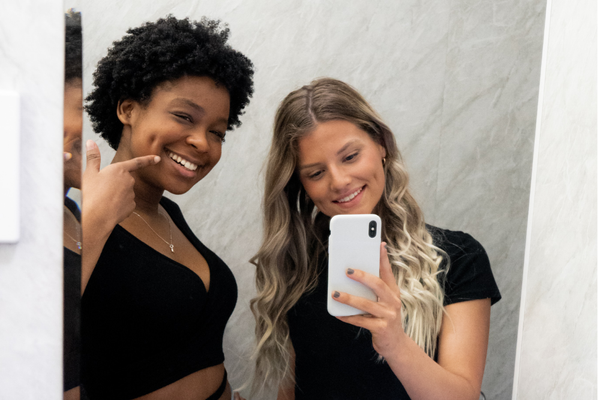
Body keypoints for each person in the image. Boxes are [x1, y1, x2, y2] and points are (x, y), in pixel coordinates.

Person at [250, 78, 501, 400]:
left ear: (381, 144)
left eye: (350, 156)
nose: (339, 181)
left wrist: (395, 343)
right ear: (301, 184)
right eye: (316, 173)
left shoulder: (458, 258)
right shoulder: (296, 263)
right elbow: (293, 387)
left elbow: (462, 396)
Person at [80, 16, 254, 400]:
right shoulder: (77, 216)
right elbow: (28, 334)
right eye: (184, 116)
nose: (202, 143)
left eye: (217, 132)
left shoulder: (168, 213)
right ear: (128, 109)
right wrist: (94, 218)